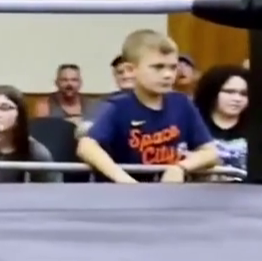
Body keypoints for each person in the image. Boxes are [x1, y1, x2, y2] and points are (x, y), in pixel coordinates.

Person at [76, 29, 219, 183]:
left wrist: (180, 167)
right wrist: (124, 180)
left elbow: (210, 152)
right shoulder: (118, 107)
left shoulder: (182, 104)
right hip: (128, 193)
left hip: (172, 191)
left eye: (173, 67)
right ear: (131, 70)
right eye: (158, 67)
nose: (168, 75)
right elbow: (86, 147)